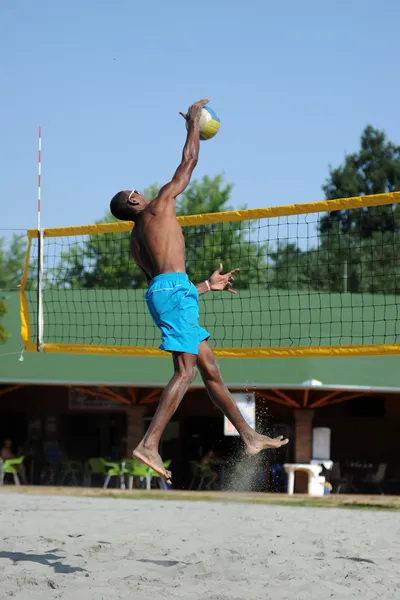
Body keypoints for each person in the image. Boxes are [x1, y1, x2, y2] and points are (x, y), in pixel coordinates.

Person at [110, 98, 289, 482]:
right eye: (135, 190)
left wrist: (207, 285)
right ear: (134, 201)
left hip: (170, 294)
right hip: (172, 294)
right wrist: (193, 124)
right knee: (186, 371)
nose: (140, 190)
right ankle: (149, 443)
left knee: (208, 367)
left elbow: (164, 287)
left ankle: (250, 436)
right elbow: (188, 162)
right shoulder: (158, 206)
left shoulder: (135, 241)